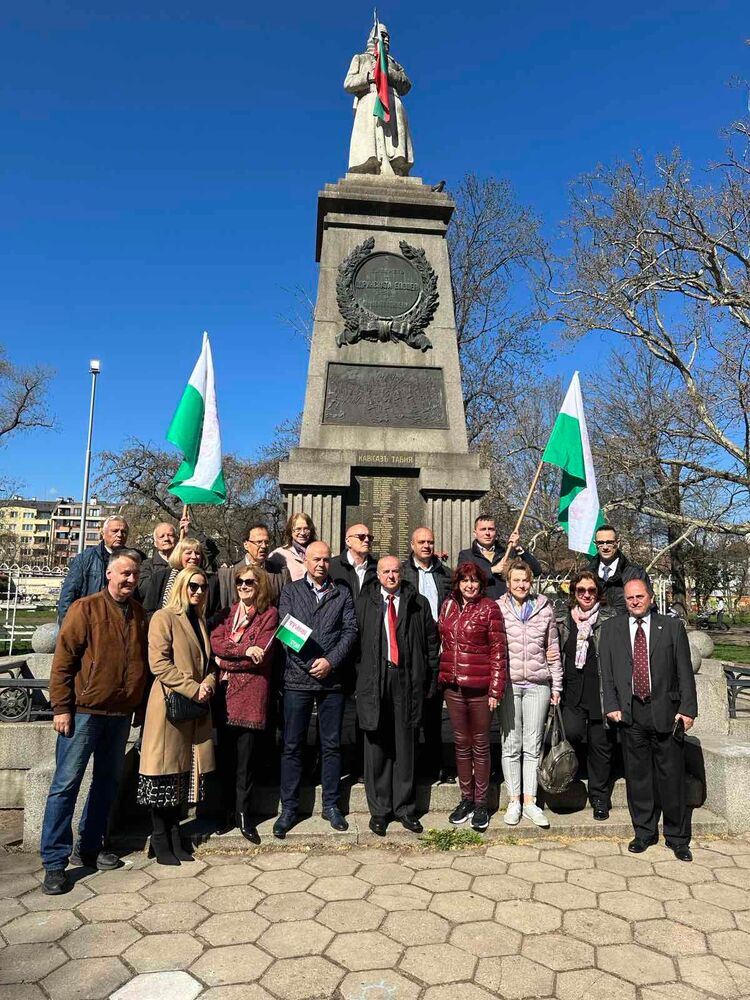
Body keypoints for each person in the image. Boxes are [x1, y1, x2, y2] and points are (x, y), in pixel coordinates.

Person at [41, 550, 148, 895]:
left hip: (118, 715)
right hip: (84, 711)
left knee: (106, 783)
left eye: (134, 575)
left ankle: (90, 846)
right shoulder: (84, 609)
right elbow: (63, 660)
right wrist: (61, 707)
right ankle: (55, 862)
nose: (130, 580)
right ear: (109, 575)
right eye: (125, 574)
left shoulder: (138, 614)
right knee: (66, 784)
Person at [599, 577, 698, 861]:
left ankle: (677, 837)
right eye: (630, 598)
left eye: (640, 596)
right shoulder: (612, 629)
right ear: (625, 601)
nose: (635, 601)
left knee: (671, 777)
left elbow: (684, 671)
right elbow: (606, 673)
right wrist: (611, 705)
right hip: (631, 713)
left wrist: (688, 709)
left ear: (651, 598)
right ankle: (644, 832)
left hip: (666, 712)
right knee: (638, 777)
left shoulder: (671, 627)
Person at [274, 541, 358, 838]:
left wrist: (330, 662)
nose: (321, 564)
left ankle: (332, 805)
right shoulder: (292, 591)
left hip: (331, 680)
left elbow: (350, 631)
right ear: (306, 561)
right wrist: (311, 661)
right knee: (293, 745)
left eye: (325, 559)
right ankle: (289, 808)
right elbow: (285, 629)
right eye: (316, 559)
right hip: (298, 678)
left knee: (331, 745)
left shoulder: (342, 593)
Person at [137, 567, 216, 866]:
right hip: (169, 704)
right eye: (192, 586)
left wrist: (207, 684)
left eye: (203, 587)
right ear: (181, 586)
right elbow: (159, 664)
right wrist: (193, 688)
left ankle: (174, 836)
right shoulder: (163, 617)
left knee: (180, 775)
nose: (197, 592)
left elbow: (208, 664)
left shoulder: (200, 620)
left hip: (193, 707)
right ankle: (160, 838)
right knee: (162, 773)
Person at [355, 556, 439, 836]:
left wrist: (428, 680)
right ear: (377, 575)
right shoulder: (366, 602)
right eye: (386, 572)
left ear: (402, 574)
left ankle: (404, 808)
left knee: (405, 746)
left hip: (406, 680)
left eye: (396, 571)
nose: (391, 576)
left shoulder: (418, 603)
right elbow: (356, 643)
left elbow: (430, 644)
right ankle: (379, 811)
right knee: (376, 745)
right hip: (375, 680)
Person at [209, 565, 278, 842]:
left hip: (250, 696)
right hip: (224, 696)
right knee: (225, 758)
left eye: (250, 581)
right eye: (240, 582)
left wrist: (224, 661)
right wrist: (240, 650)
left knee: (245, 762)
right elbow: (216, 642)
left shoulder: (269, 615)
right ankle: (225, 812)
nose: (244, 586)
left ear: (260, 585)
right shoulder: (227, 614)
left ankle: (243, 814)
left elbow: (260, 656)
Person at [437, 562, 507, 833]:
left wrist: (496, 689)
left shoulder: (490, 608)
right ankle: (465, 798)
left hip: (480, 688)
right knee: (461, 745)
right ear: (458, 582)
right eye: (465, 580)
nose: (469, 585)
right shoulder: (448, 606)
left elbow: (499, 651)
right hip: (453, 687)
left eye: (474, 581)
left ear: (481, 584)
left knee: (480, 745)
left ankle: (481, 803)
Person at [497, 560, 563, 829]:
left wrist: (556, 686)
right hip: (510, 685)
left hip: (538, 684)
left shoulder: (545, 609)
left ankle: (530, 801)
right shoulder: (499, 608)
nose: (521, 585)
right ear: (508, 583)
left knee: (533, 746)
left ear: (531, 581)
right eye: (516, 580)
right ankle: (513, 800)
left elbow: (553, 649)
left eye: (525, 580)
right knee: (511, 744)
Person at [556, 571, 617, 821]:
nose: (586, 595)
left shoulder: (609, 619)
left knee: (600, 746)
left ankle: (599, 796)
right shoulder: (562, 620)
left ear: (598, 594)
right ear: (574, 593)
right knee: (571, 733)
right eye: (581, 590)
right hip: (572, 691)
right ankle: (571, 781)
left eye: (591, 590)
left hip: (599, 692)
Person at [400, 526, 453, 782]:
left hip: (438, 649)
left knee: (433, 710)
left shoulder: (446, 574)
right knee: (412, 710)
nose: (427, 546)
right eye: (421, 542)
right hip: (411, 648)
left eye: (430, 542)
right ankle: (411, 764)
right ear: (412, 544)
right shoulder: (401, 572)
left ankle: (435, 765)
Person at [344, 22, 414, 177]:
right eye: (383, 35)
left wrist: (387, 73)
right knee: (371, 145)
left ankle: (397, 168)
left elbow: (407, 85)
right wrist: (369, 75)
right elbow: (348, 83)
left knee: (396, 145)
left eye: (388, 36)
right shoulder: (361, 58)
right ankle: (371, 168)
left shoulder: (394, 63)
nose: (387, 39)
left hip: (392, 101)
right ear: (374, 37)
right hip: (370, 100)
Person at [57, 515, 129, 622]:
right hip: (91, 621)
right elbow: (68, 596)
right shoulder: (85, 559)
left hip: (122, 622)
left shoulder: (134, 559)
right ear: (103, 534)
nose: (119, 535)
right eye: (115, 531)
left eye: (123, 532)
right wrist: (69, 629)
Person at [457, 514, 541, 600]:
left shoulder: (507, 553)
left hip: (507, 608)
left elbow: (536, 571)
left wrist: (518, 547)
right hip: (480, 607)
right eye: (483, 529)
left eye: (491, 529)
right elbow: (464, 580)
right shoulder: (466, 555)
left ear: (496, 532)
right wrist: (492, 570)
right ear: (475, 533)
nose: (487, 533)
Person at [142, 536, 220, 618]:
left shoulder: (211, 580)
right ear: (179, 555)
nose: (193, 557)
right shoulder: (160, 577)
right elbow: (148, 610)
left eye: (197, 553)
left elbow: (216, 613)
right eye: (188, 553)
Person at [218, 523, 289, 608]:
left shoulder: (281, 574)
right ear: (246, 544)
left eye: (266, 542)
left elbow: (286, 606)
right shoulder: (228, 574)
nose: (263, 546)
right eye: (259, 542)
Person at [588, 524, 644, 615]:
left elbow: (648, 606)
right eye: (601, 543)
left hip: (625, 627)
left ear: (617, 543)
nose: (605, 547)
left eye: (609, 542)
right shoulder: (587, 574)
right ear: (595, 544)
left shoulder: (636, 573)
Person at [137, 518, 189, 611]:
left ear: (177, 539)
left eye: (170, 535)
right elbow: (144, 590)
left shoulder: (185, 562)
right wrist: (171, 568)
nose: (166, 539)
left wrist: (190, 531)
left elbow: (208, 552)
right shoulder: (147, 565)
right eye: (162, 536)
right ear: (155, 543)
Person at [329, 523, 377, 598]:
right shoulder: (332, 566)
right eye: (361, 537)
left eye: (370, 537)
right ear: (348, 541)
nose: (367, 540)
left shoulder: (377, 568)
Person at [270, 512, 317, 582]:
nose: (302, 533)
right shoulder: (278, 555)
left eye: (306, 529)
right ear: (290, 531)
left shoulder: (320, 551)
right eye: (298, 529)